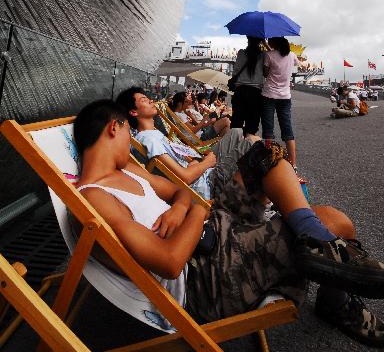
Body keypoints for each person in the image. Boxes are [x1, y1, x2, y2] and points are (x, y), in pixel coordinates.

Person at [74, 99, 384, 347]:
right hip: (206, 277)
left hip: (212, 230)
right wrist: (193, 211)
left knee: (263, 153)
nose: (131, 142)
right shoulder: (95, 199)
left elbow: (181, 193)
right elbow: (169, 262)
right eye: (128, 132)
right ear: (115, 127)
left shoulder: (126, 173)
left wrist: (183, 209)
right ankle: (327, 272)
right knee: (336, 223)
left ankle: (312, 240)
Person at [117, 87, 247, 200]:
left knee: (236, 132)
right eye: (144, 100)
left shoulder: (154, 133)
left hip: (203, 169)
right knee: (252, 142)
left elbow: (184, 160)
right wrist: (207, 162)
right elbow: (185, 177)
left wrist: (197, 162)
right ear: (133, 112)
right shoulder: (148, 139)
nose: (151, 100)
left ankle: (250, 193)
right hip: (207, 184)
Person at [260, 37, 298, 168]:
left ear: (273, 43)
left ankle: (268, 161)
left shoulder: (268, 55)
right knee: (287, 129)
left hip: (268, 95)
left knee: (268, 129)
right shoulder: (292, 55)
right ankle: (294, 164)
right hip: (285, 97)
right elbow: (287, 59)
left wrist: (267, 49)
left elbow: (265, 73)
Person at [230, 36, 264, 135]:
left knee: (237, 121)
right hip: (256, 93)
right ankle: (248, 146)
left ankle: (234, 145)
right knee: (252, 124)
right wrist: (265, 44)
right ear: (260, 42)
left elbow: (235, 72)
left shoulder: (241, 53)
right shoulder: (263, 55)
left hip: (240, 91)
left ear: (248, 40)